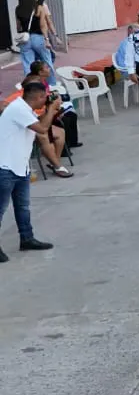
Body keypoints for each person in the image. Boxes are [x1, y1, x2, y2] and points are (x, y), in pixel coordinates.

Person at [0, 80, 59, 262]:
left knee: (23, 207)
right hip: (6, 167)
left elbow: (39, 125)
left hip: (19, 166)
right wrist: (51, 110)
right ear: (38, 97)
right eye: (45, 98)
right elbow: (42, 129)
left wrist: (51, 111)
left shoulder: (26, 109)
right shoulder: (19, 109)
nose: (45, 101)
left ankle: (27, 238)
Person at [14, 0, 58, 74]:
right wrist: (47, 40)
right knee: (47, 61)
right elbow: (43, 26)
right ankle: (51, 84)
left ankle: (30, 84)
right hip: (38, 38)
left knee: (27, 64)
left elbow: (18, 26)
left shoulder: (18, 9)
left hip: (25, 39)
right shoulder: (39, 8)